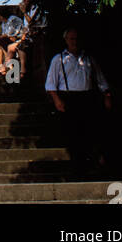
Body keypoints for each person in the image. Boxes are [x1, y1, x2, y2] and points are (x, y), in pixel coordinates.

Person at [45, 26, 112, 171]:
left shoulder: (88, 58)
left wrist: (106, 96)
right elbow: (50, 83)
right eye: (71, 39)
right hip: (68, 98)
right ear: (66, 40)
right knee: (72, 133)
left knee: (89, 131)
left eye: (76, 39)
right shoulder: (59, 59)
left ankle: (90, 164)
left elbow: (101, 80)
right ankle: (77, 165)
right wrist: (57, 100)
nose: (74, 42)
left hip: (87, 97)